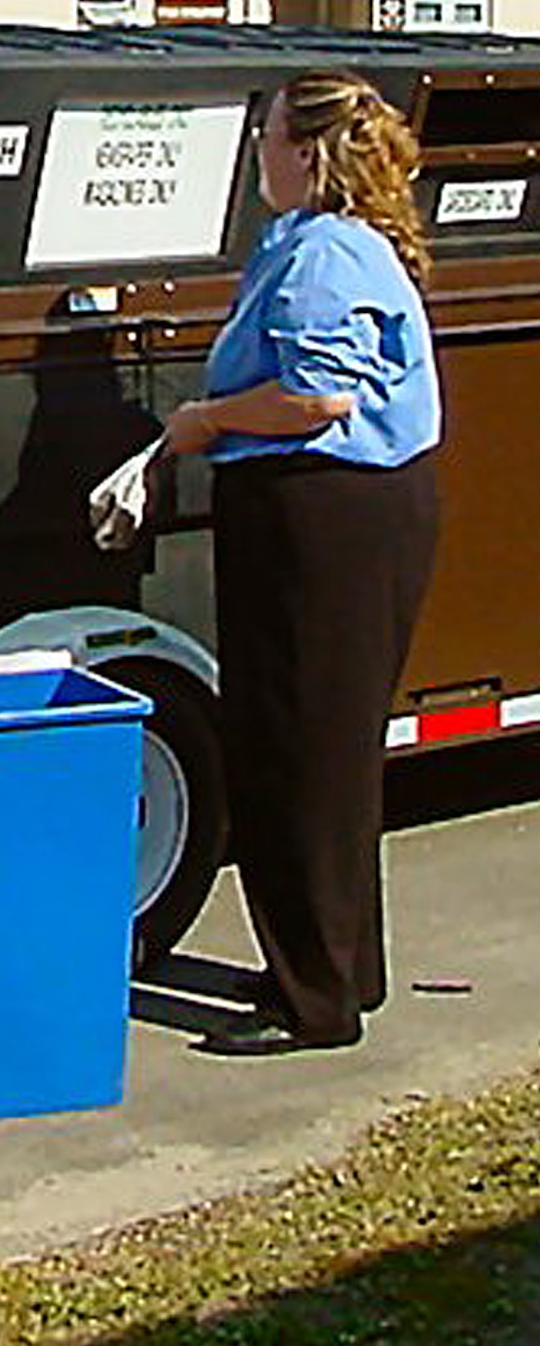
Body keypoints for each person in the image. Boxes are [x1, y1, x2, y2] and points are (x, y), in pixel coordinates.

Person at [161, 71, 441, 1056]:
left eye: (269, 138)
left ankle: (308, 1000)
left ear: (308, 153)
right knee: (328, 744)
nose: (256, 156)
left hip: (326, 509)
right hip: (339, 505)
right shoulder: (301, 238)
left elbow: (315, 398)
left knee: (296, 749)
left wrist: (202, 423)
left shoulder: (325, 254)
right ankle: (338, 963)